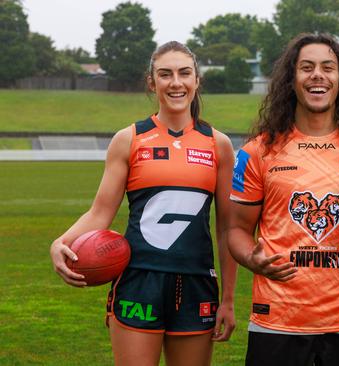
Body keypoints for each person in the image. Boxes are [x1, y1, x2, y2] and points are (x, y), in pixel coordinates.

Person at [49, 41, 237, 366]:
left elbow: (227, 229)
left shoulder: (218, 145)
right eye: (165, 74)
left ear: (197, 80)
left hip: (196, 282)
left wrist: (229, 300)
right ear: (152, 82)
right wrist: (61, 242)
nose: (175, 83)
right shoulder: (129, 139)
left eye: (184, 73)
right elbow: (100, 213)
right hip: (139, 280)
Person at [228, 33, 339, 366]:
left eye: (328, 67)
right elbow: (236, 230)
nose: (317, 75)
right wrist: (252, 259)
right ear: (291, 80)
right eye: (306, 67)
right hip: (278, 319)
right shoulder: (258, 151)